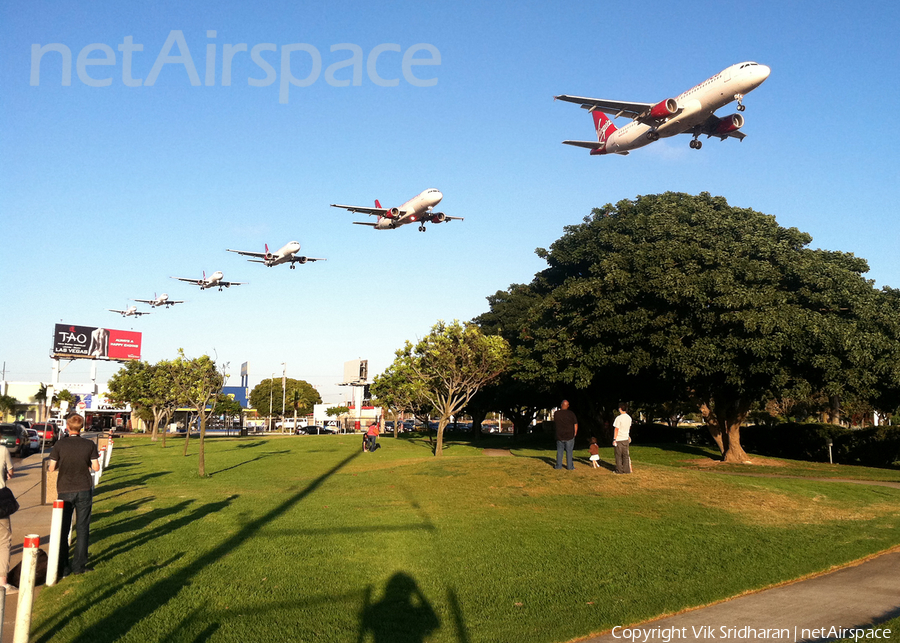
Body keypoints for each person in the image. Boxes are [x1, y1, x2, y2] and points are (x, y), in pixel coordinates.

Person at [48, 415, 100, 576]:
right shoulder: (89, 444)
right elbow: (96, 467)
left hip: (64, 490)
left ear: (68, 427)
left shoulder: (60, 444)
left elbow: (51, 468)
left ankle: (63, 566)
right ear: (82, 427)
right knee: (83, 527)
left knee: (63, 529)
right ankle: (79, 565)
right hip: (83, 488)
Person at [0, 446, 15, 594]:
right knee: (4, 541)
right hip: (0, 500)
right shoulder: (2, 450)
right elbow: (11, 471)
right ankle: (2, 582)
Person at [553, 400, 578, 470]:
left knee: (560, 451)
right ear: (567, 405)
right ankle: (570, 466)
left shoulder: (556, 413)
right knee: (569, 451)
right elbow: (575, 424)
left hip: (559, 434)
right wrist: (575, 433)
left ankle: (558, 466)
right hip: (570, 434)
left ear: (561, 405)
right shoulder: (571, 414)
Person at [613, 403, 633, 474]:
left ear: (620, 409)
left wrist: (614, 439)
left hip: (619, 438)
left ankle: (619, 470)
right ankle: (627, 470)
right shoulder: (629, 418)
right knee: (625, 455)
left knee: (618, 455)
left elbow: (616, 429)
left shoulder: (619, 418)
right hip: (625, 438)